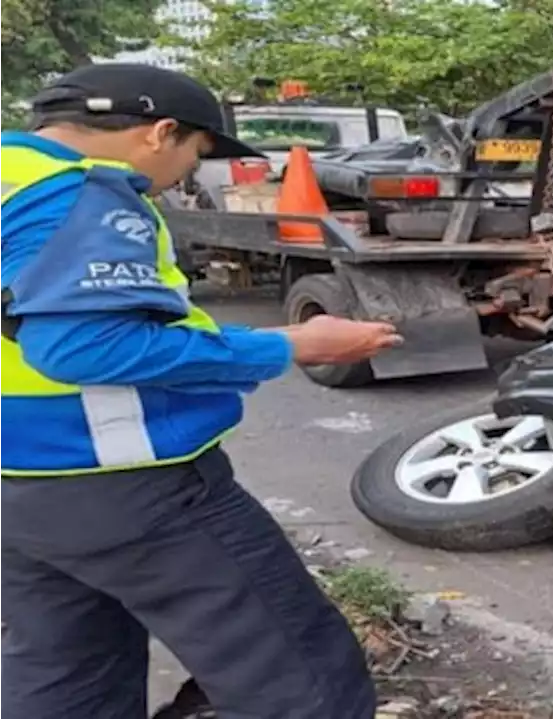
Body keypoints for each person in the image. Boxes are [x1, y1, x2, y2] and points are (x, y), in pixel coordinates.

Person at [0, 64, 401, 719]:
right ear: (161, 132)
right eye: (195, 151)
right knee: (300, 678)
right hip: (127, 483)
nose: (186, 173)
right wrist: (292, 345)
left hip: (19, 486)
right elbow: (81, 348)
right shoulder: (78, 194)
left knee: (67, 671)